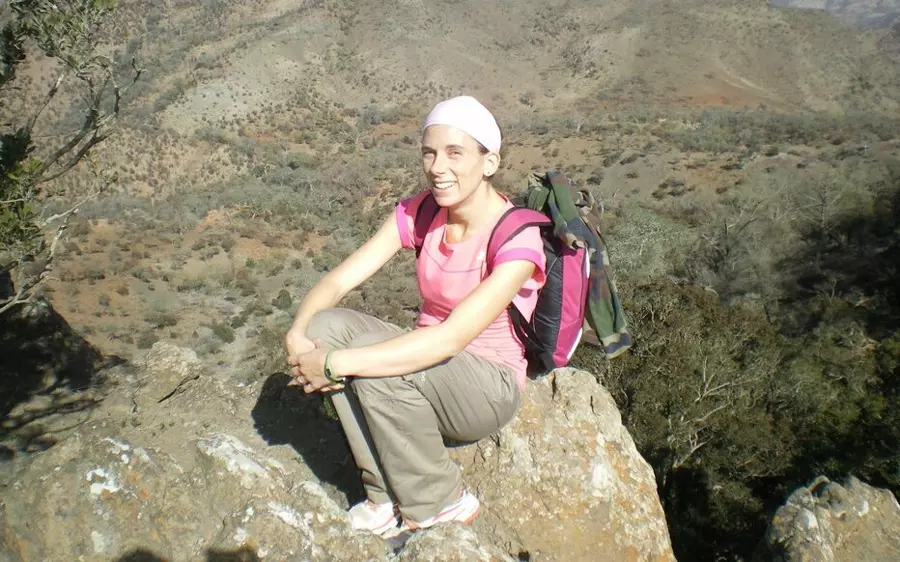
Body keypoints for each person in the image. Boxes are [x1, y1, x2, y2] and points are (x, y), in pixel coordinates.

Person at [283, 95, 546, 538]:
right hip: (430, 371)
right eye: (429, 152)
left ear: (489, 162)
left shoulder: (516, 237)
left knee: (368, 358)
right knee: (324, 327)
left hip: (487, 387)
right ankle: (384, 495)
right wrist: (298, 333)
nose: (437, 167)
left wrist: (334, 363)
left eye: (455, 153)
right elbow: (339, 281)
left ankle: (439, 502)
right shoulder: (422, 212)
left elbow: (450, 339)